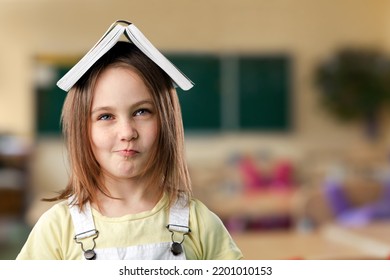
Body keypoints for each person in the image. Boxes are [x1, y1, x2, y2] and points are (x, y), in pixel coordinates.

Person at [16, 23, 243, 260]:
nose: (127, 132)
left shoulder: (200, 224)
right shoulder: (56, 230)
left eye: (141, 112)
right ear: (82, 130)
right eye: (105, 116)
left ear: (166, 121)